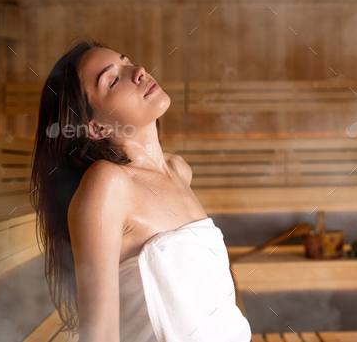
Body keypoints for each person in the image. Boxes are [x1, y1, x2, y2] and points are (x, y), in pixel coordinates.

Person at [30, 37, 252, 342]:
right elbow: (100, 335)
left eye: (126, 61)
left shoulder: (179, 171)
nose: (139, 71)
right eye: (113, 80)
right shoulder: (107, 185)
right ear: (96, 128)